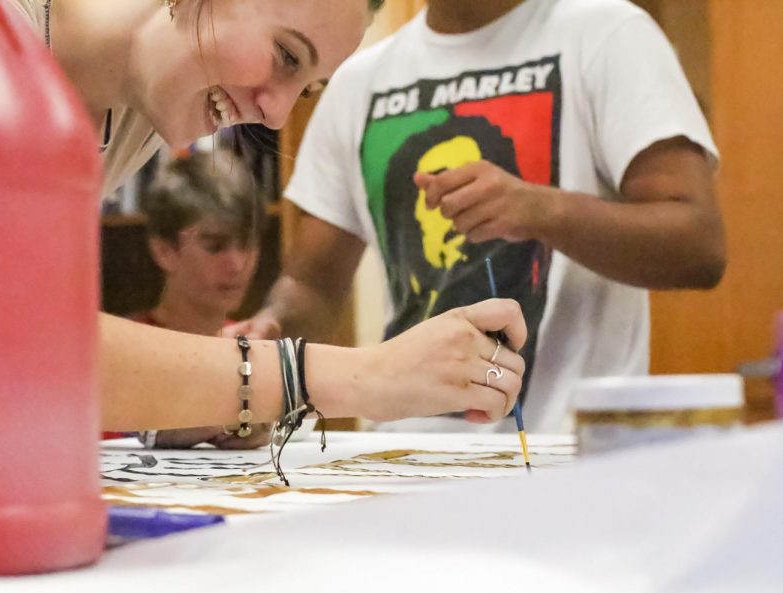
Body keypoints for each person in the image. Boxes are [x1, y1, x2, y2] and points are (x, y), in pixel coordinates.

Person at [0, 0, 528, 434]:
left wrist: (210, 397)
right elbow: (3, 346)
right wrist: (360, 376)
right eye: (286, 55)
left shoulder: (140, 108)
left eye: (306, 89)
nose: (276, 113)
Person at [225, 0, 726, 433]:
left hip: (566, 461)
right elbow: (310, 283)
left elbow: (697, 243)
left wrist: (541, 210)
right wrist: (272, 328)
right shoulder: (358, 81)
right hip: (401, 459)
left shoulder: (608, 34)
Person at [129, 149, 271, 448]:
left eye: (247, 243)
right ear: (164, 251)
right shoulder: (119, 351)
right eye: (215, 245)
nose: (237, 263)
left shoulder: (256, 350)